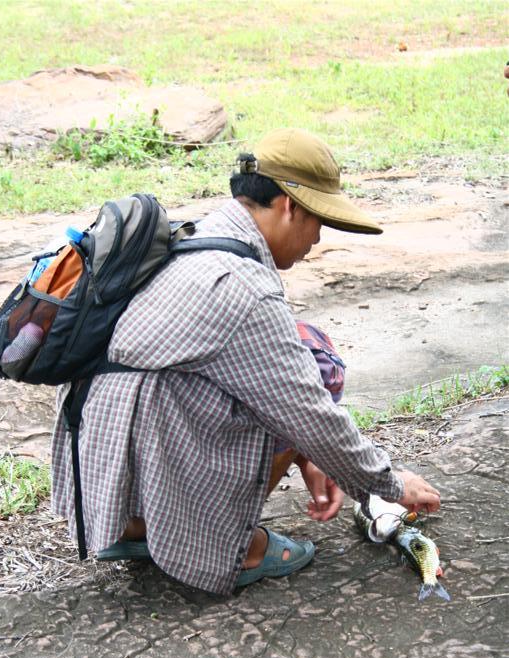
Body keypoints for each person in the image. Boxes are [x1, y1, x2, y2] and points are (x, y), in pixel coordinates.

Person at [51, 128, 440, 595]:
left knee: (292, 355)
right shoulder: (245, 288)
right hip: (147, 447)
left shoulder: (191, 236)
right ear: (289, 207)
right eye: (319, 221)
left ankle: (135, 524)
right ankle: (236, 547)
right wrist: (389, 484)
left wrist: (311, 455)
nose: (318, 239)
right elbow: (308, 412)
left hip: (97, 475)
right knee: (317, 363)